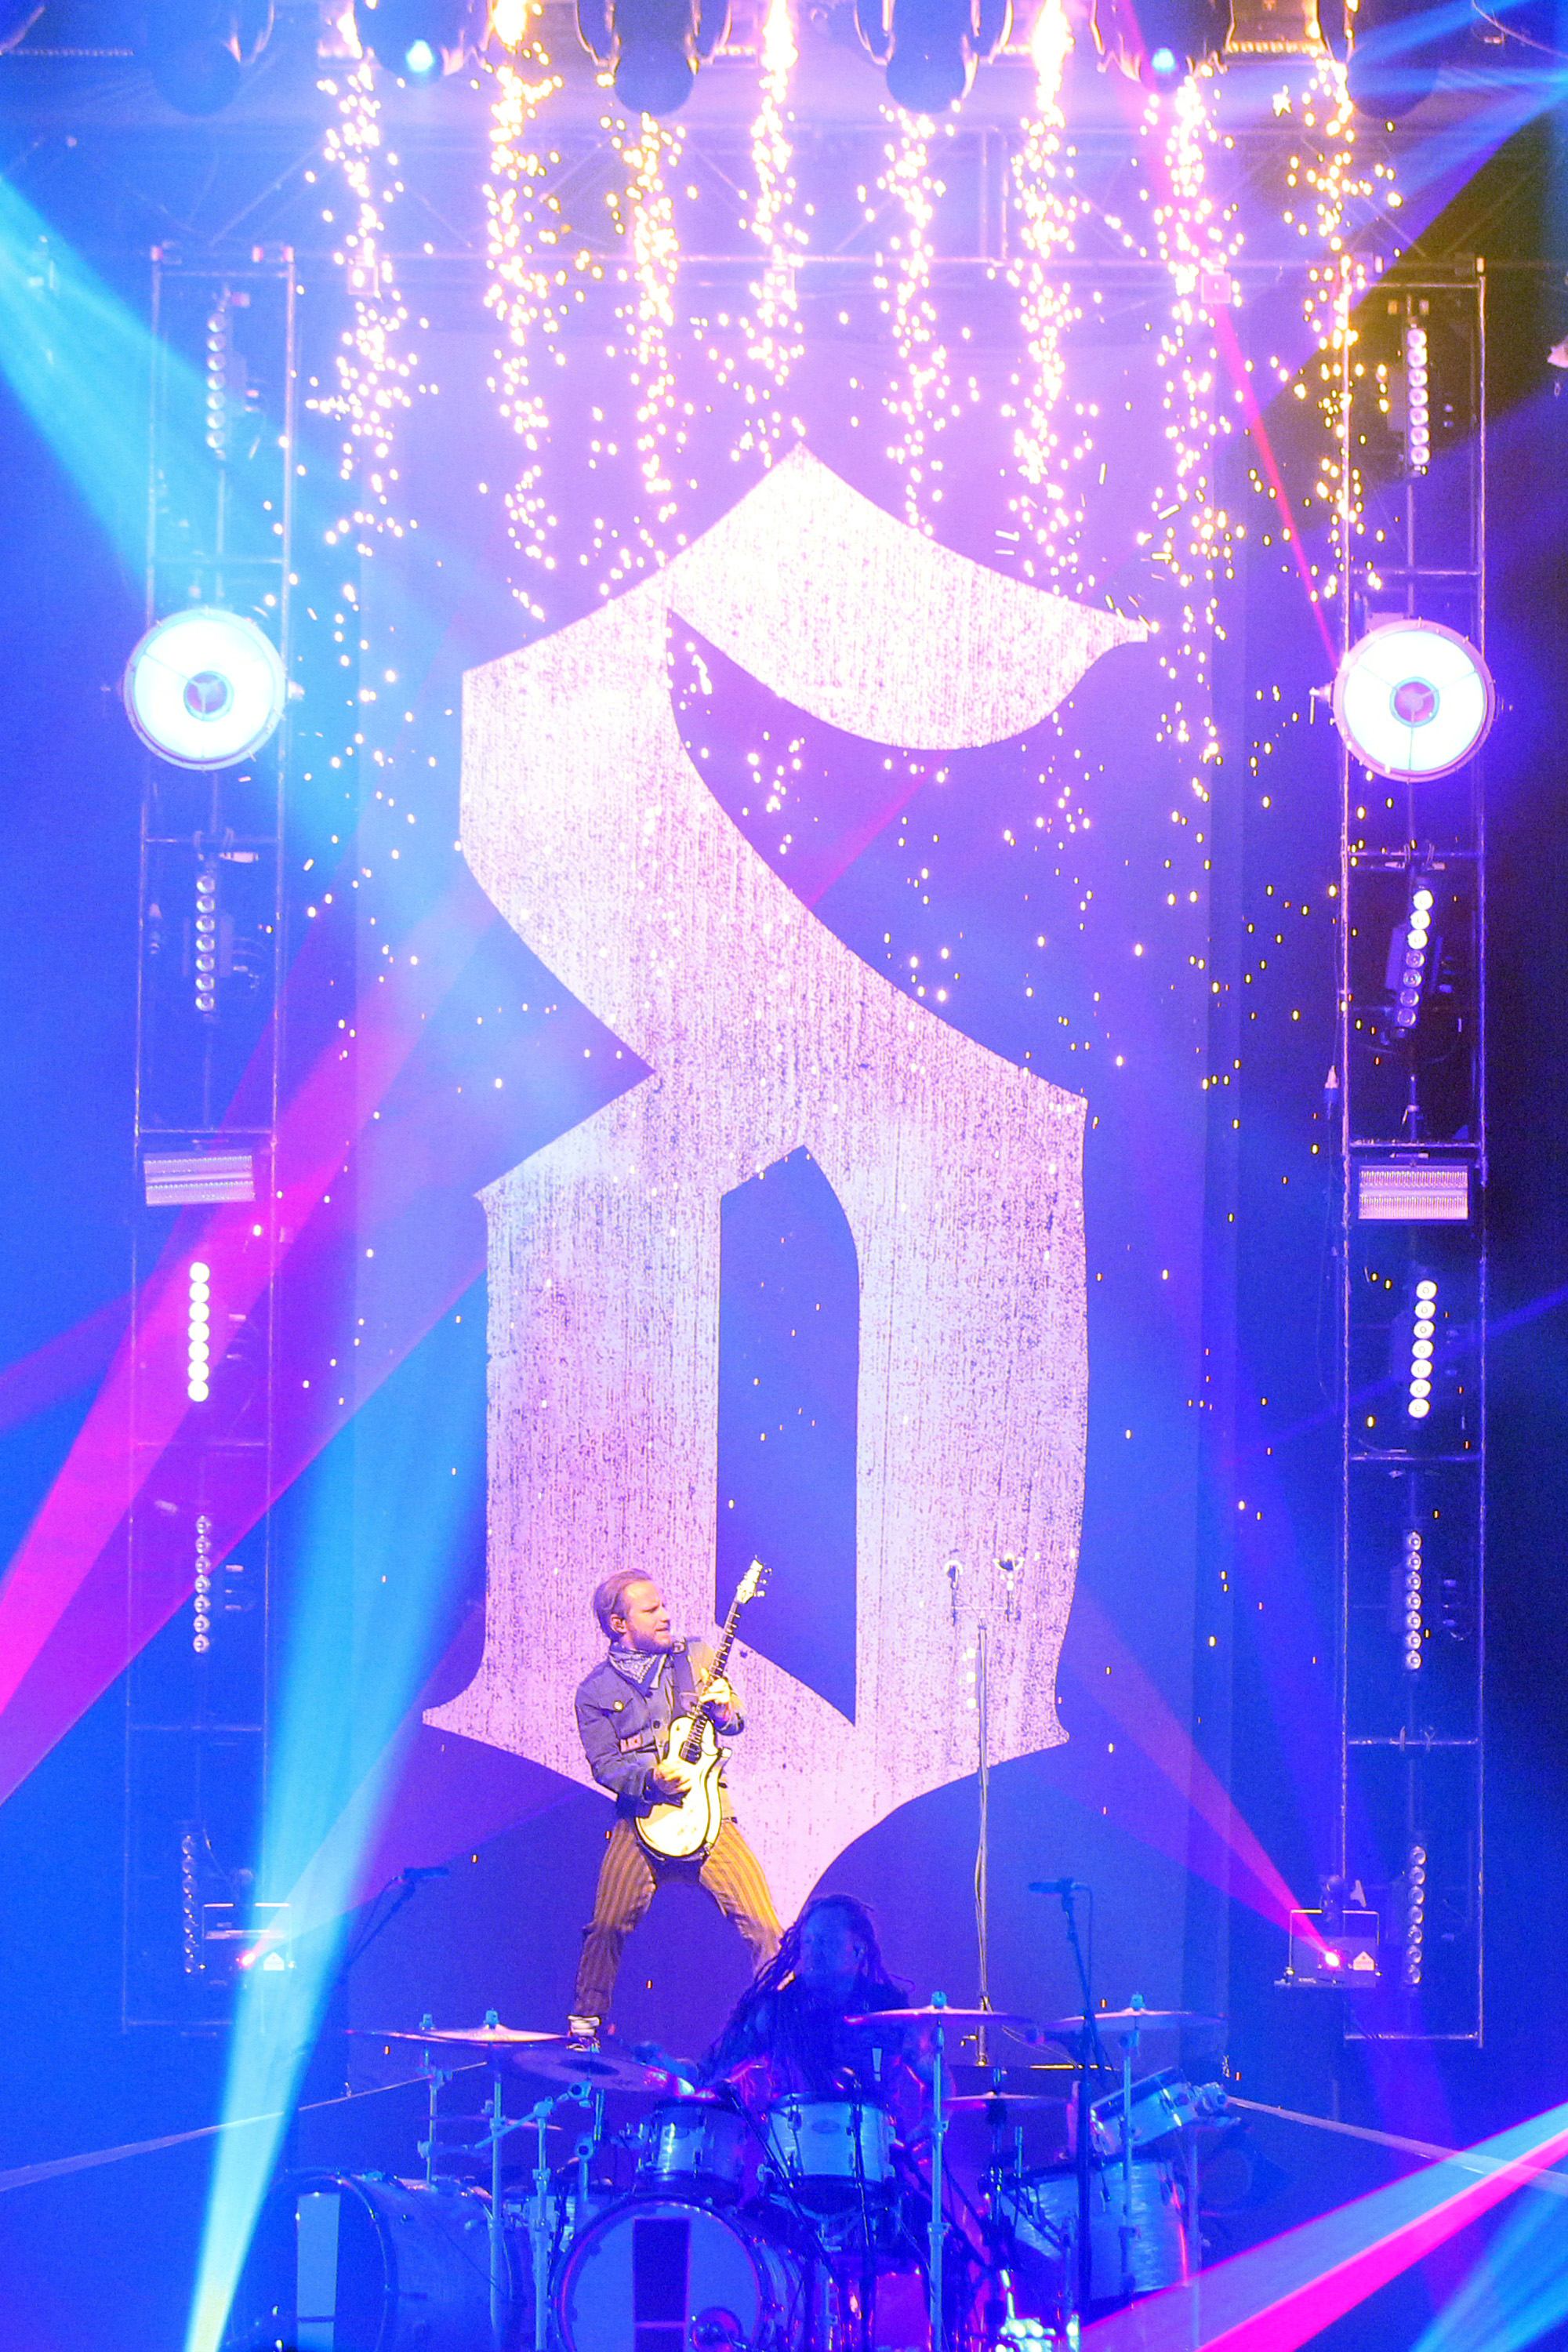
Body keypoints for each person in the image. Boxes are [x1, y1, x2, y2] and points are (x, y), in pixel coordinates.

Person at [568, 1569, 781, 2042]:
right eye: (651, 1610)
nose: (665, 1615)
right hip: (642, 1819)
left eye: (663, 1605)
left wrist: (725, 1710)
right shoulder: (594, 1693)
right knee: (606, 1925)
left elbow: (735, 1720)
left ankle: (777, 2026)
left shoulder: (696, 1656)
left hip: (711, 1817)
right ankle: (585, 2030)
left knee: (764, 1925)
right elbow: (604, 1764)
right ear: (619, 1624)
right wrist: (650, 1779)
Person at [703, 1892, 922, 2118]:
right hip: (793, 2136)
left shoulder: (888, 2008)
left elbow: (933, 2074)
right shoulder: (778, 2011)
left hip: (876, 2135)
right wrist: (681, 2072)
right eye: (808, 1941)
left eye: (825, 1941)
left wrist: (931, 2123)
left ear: (858, 1949)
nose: (812, 1952)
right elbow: (715, 2070)